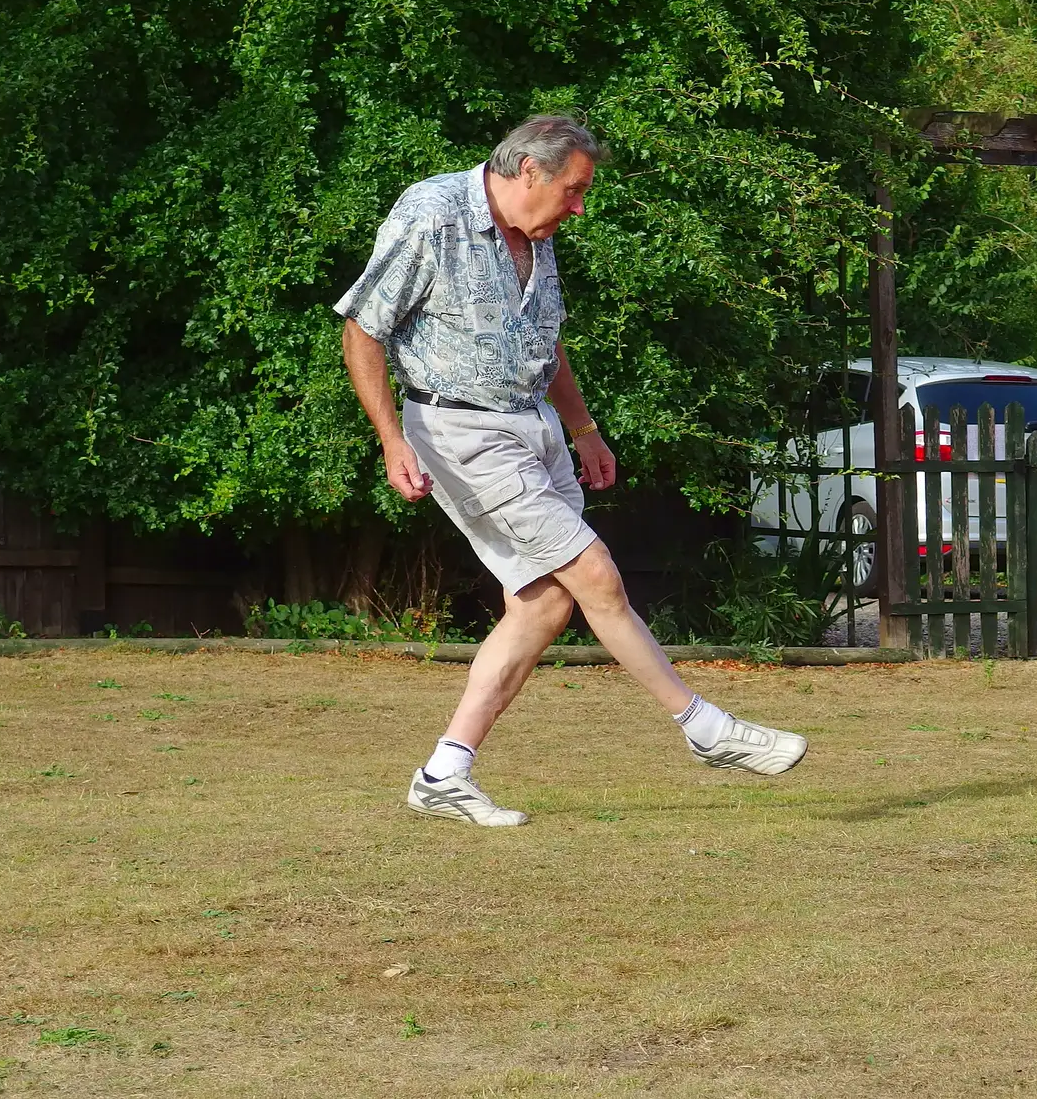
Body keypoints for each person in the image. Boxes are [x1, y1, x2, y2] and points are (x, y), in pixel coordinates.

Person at [336, 116, 807, 827]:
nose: (578, 207)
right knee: (594, 575)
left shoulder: (538, 239)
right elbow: (363, 326)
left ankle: (444, 772)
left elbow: (546, 340)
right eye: (573, 189)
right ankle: (705, 729)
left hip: (537, 429)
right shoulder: (433, 212)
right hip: (461, 429)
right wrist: (390, 438)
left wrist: (583, 429)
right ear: (529, 170)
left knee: (547, 603)